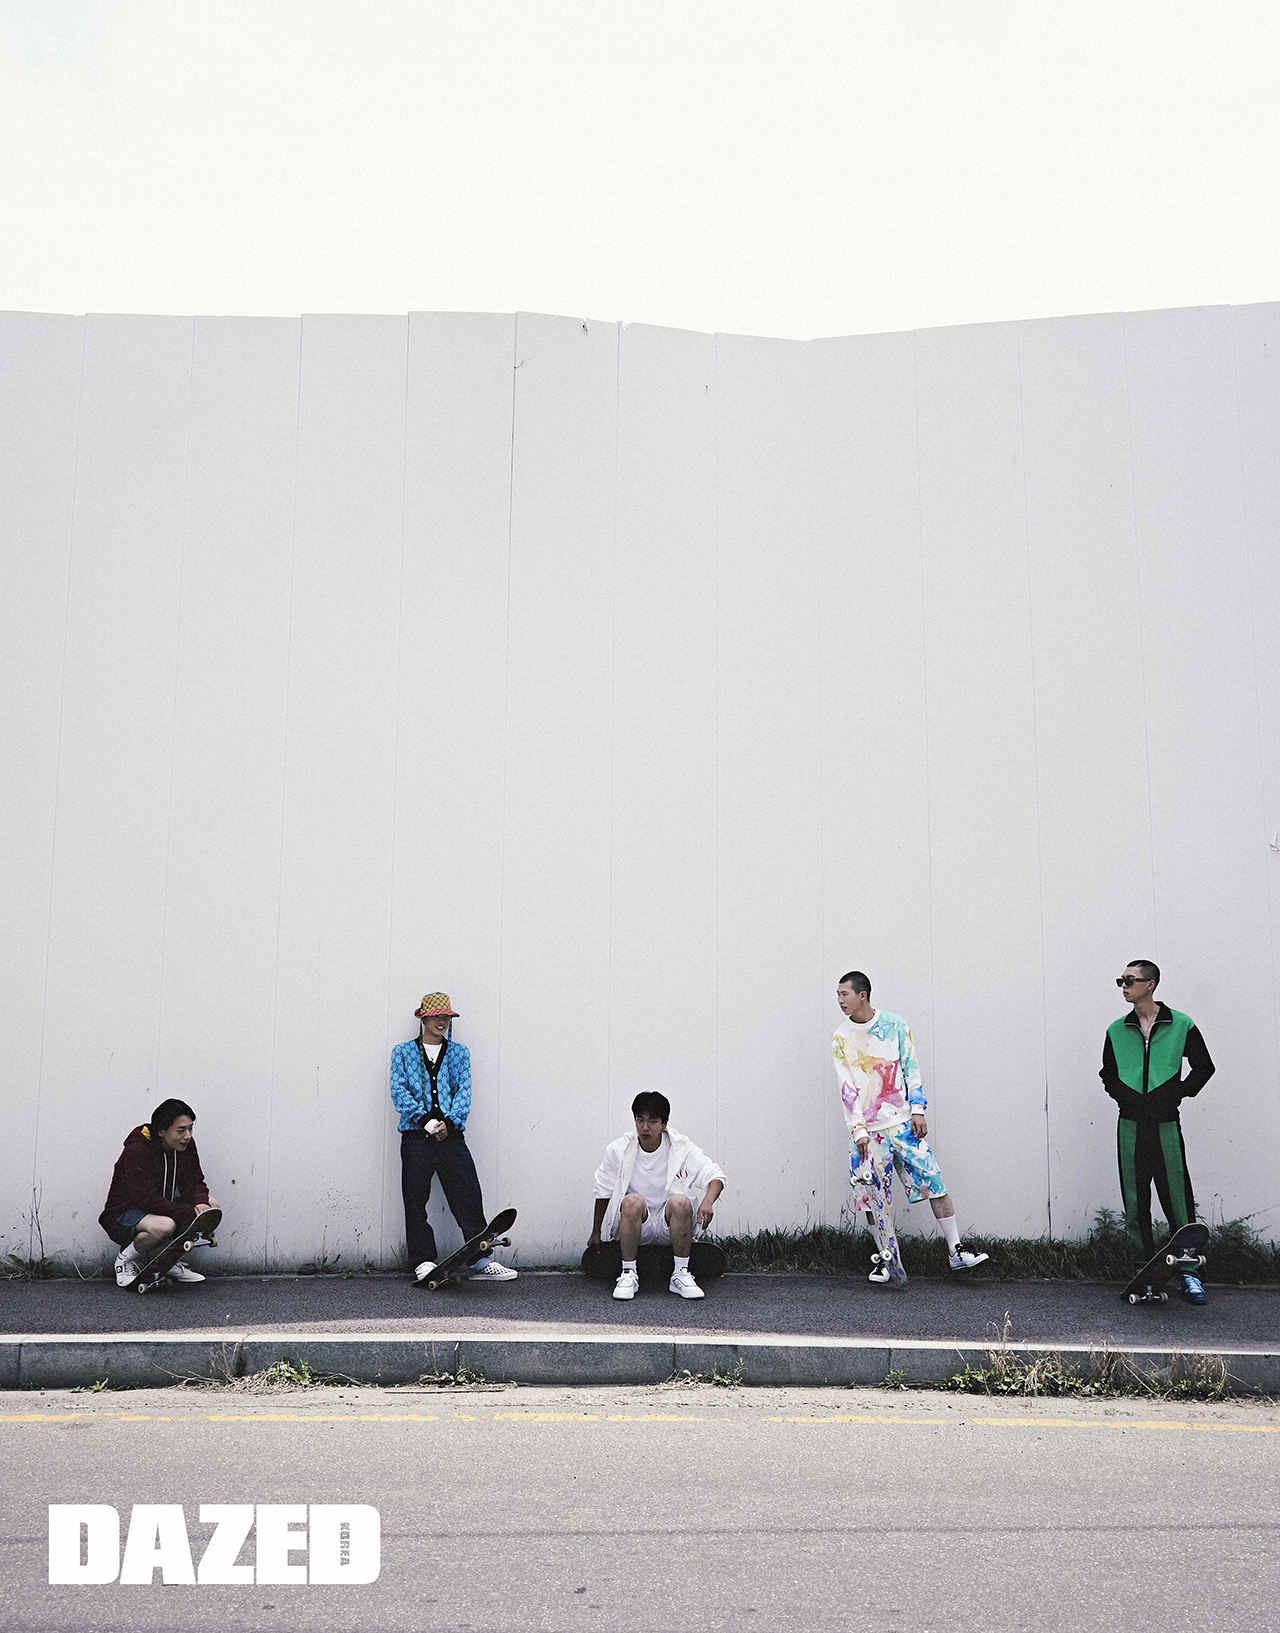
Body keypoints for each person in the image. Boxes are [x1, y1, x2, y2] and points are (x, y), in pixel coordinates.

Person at [832, 971, 988, 1288]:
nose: (840, 1001)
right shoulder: (841, 1038)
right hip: (869, 1134)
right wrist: (858, 1130)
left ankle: (956, 1250)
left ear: (862, 995)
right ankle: (886, 1258)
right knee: (872, 1198)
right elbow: (846, 1089)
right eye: (838, 995)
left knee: (933, 1180)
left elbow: (910, 1068)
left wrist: (918, 1109)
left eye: (844, 994)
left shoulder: (895, 1025)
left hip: (903, 1124)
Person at [1100, 960, 1215, 1305]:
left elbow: (1204, 1067)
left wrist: (1177, 1092)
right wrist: (1126, 1098)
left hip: (1165, 1126)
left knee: (1177, 1200)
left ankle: (1190, 1274)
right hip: (1130, 1126)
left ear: (1149, 985)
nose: (1123, 986)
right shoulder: (1116, 1030)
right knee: (1135, 1203)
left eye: (1129, 980)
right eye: (1121, 980)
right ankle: (1143, 1272)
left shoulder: (1181, 1024)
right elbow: (1108, 1075)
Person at [389, 991, 516, 1286]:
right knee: (415, 1198)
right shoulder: (403, 1052)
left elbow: (464, 1092)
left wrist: (448, 1123)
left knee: (467, 1193)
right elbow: (399, 1090)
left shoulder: (459, 1053)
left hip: (451, 1136)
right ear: (423, 1018)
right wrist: (425, 1120)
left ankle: (481, 1259)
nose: (442, 1021)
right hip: (416, 1135)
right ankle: (423, 1260)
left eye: (446, 1016)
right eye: (436, 1016)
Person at [588, 1092, 725, 1300]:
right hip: (637, 1224)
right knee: (632, 1201)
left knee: (681, 1201)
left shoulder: (681, 1147)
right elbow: (603, 1189)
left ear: (664, 1124)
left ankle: (680, 1274)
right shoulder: (619, 1149)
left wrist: (708, 1201)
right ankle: (628, 1274)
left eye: (652, 1121)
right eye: (640, 1120)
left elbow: (715, 1176)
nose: (645, 1127)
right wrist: (596, 1231)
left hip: (669, 1225)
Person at [99, 1099, 219, 1288]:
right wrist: (189, 1217)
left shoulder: (185, 1146)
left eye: (190, 1128)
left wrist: (201, 1203)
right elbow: (147, 1199)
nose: (187, 1136)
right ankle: (124, 1261)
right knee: (165, 1226)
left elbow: (194, 1180)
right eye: (181, 1130)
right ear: (161, 1131)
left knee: (211, 1206)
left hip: (160, 1208)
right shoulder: (136, 1150)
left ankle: (167, 1261)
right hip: (122, 1217)